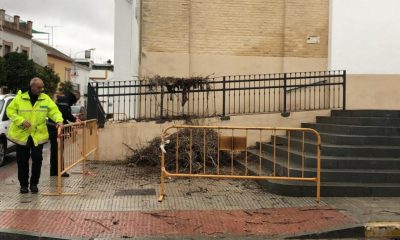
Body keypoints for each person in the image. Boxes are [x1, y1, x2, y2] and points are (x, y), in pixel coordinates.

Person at [7, 77, 63, 194]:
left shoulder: (45, 98)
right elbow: (10, 111)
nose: (41, 89)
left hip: (38, 135)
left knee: (37, 160)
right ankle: (23, 185)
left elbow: (54, 111)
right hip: (22, 135)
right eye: (39, 87)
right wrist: (21, 120)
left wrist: (59, 120)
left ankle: (34, 184)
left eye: (42, 87)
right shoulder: (20, 97)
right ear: (32, 86)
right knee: (22, 161)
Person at [47, 90, 81, 177]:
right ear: (75, 97)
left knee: (55, 150)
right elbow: (65, 114)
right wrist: (74, 120)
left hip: (53, 126)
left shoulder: (64, 99)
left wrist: (69, 125)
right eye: (77, 100)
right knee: (58, 150)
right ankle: (59, 171)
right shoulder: (65, 101)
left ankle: (54, 171)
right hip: (55, 128)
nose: (76, 102)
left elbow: (62, 117)